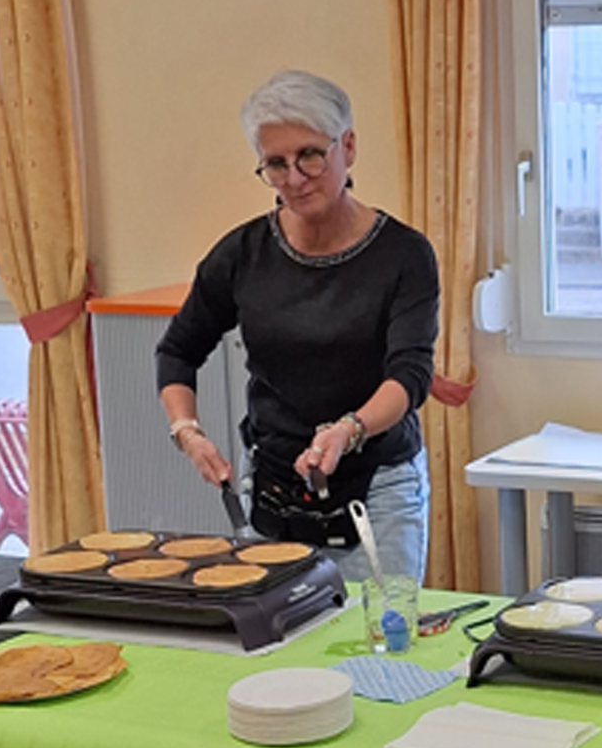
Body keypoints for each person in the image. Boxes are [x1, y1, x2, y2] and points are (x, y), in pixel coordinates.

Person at [157, 70, 438, 584]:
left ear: (347, 147)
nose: (294, 177)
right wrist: (188, 433)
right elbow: (177, 352)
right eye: (275, 164)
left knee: (381, 640)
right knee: (276, 641)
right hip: (272, 484)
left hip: (377, 485)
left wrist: (348, 430)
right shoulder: (241, 254)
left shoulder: (404, 255)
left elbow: (410, 375)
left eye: (310, 155)